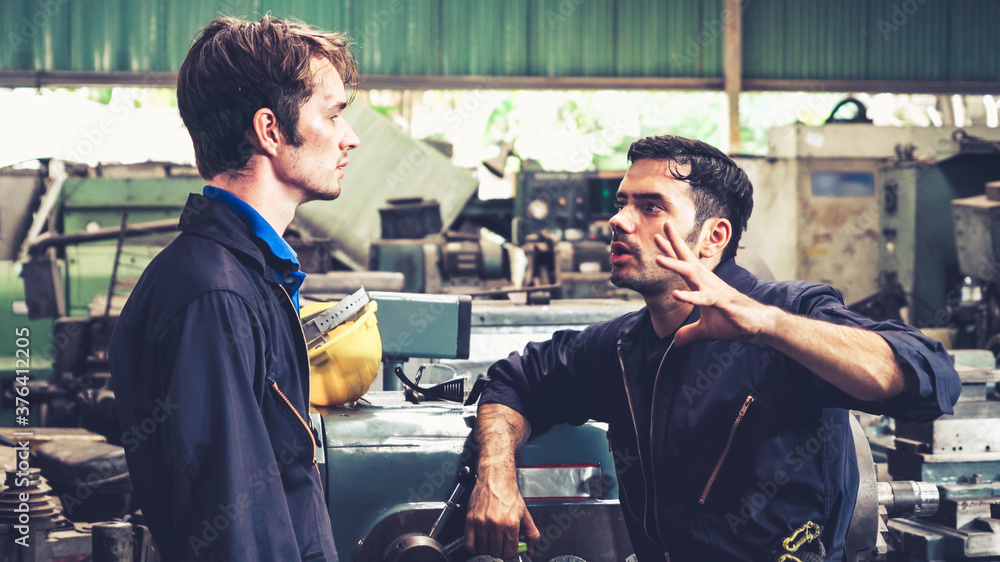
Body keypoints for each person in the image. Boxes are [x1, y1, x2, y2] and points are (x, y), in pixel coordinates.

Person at [463, 135, 961, 561]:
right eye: (622, 203)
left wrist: (766, 326)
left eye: (650, 206)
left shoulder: (786, 315)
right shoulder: (617, 348)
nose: (619, 221)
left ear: (712, 238)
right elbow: (515, 382)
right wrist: (495, 473)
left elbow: (929, 378)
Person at [109, 15, 359, 561]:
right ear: (270, 130)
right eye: (334, 114)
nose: (350, 138)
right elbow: (236, 528)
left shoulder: (246, 275)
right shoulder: (214, 296)